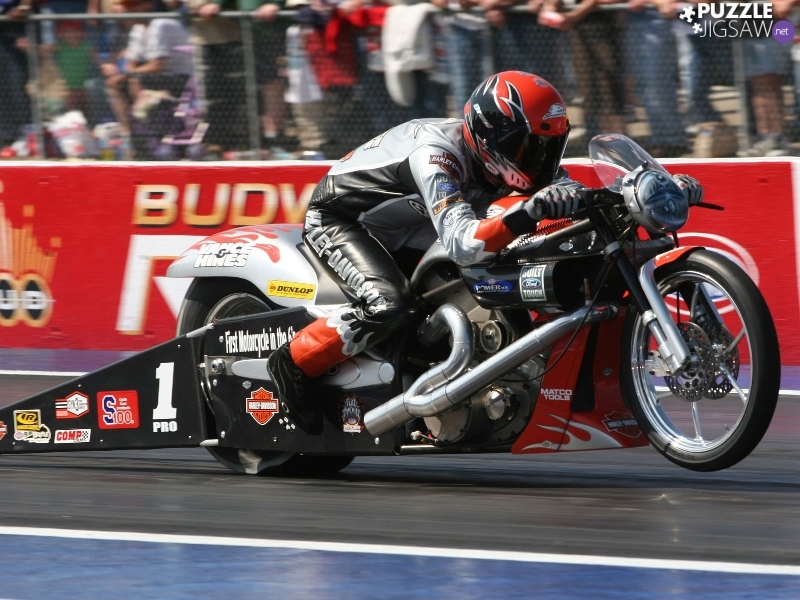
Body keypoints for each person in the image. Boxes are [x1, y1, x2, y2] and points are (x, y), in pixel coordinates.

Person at [265, 70, 704, 434]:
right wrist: (527, 212)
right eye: (527, 148)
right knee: (390, 304)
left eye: (548, 147)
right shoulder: (436, 155)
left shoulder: (520, 162)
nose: (539, 160)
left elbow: (573, 194)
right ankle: (292, 364)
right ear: (489, 136)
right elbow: (462, 242)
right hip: (345, 221)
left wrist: (649, 191)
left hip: (414, 225)